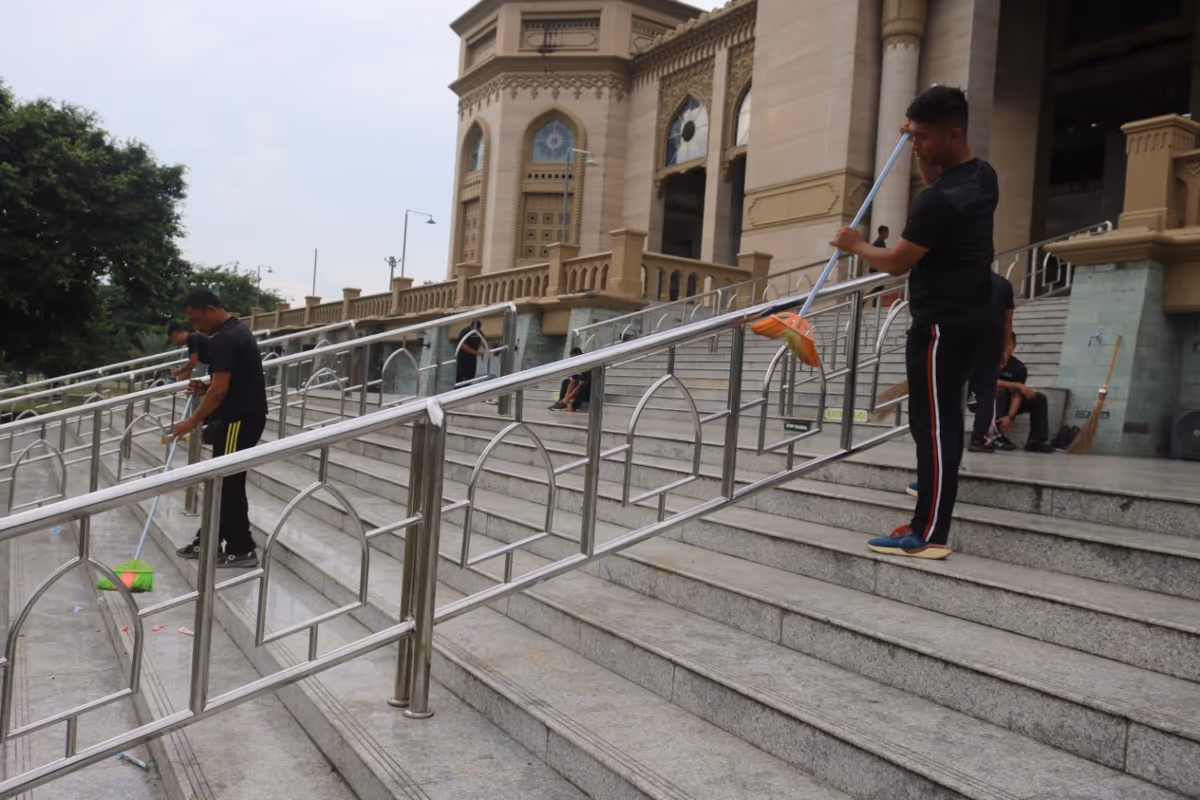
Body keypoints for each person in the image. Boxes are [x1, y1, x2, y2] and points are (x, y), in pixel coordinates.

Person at [830, 85, 997, 560]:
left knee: (935, 428)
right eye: (913, 137)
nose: (915, 145)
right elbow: (935, 178)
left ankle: (929, 534)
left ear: (953, 132)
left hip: (941, 326)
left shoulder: (941, 201)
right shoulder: (981, 176)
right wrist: (919, 147)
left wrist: (855, 246)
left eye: (922, 138)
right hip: (964, 318)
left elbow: (897, 262)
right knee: (937, 425)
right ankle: (928, 517)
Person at [171, 289, 269, 568]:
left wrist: (191, 421)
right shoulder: (232, 333)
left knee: (228, 484)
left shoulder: (228, 337)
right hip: (239, 417)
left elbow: (220, 390)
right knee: (223, 482)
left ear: (211, 309)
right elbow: (220, 385)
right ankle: (209, 541)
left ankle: (241, 548)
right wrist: (204, 387)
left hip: (239, 420)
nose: (195, 327)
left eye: (195, 318)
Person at [992, 334, 1054, 453]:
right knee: (1001, 390)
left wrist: (1010, 416)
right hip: (984, 399)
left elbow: (1017, 394)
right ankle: (995, 437)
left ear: (1014, 346)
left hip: (1008, 402)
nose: (1005, 347)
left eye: (1008, 344)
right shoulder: (989, 361)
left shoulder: (1018, 367)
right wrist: (1017, 385)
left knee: (1038, 398)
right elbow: (989, 382)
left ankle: (1036, 441)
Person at [456, 320, 484, 387]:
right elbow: (464, 347)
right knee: (461, 376)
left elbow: (482, 340)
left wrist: (484, 347)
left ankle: (468, 388)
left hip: (472, 358)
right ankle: (458, 390)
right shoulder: (465, 332)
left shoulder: (479, 333)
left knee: (470, 376)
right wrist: (477, 353)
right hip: (463, 358)